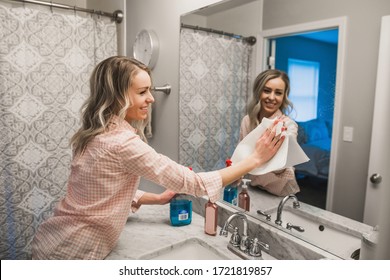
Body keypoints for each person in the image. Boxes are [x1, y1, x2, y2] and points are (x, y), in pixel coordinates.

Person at [31, 56, 285, 260]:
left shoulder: (96, 132)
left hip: (54, 239)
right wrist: (254, 160)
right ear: (117, 96)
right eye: (142, 92)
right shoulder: (122, 142)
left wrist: (156, 198)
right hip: (72, 252)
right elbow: (195, 183)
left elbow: (98, 188)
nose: (152, 98)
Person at [239, 69, 300, 197]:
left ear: (284, 97)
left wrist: (255, 159)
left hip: (281, 192)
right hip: (254, 187)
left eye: (278, 93)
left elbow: (282, 166)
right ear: (258, 91)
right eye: (267, 90)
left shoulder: (288, 126)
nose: (271, 97)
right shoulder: (247, 121)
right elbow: (242, 156)